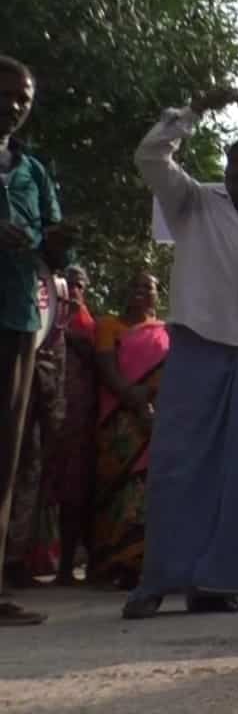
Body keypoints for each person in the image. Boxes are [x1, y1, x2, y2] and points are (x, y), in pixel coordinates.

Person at [122, 87, 238, 619]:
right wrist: (195, 109)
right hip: (199, 343)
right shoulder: (194, 201)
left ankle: (217, 584)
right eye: (235, 164)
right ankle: (157, 580)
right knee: (179, 464)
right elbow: (150, 156)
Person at [0, 55, 69, 625]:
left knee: (5, 455)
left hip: (19, 320)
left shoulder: (35, 171)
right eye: (5, 93)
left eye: (23, 97)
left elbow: (52, 247)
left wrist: (61, 243)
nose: (13, 104)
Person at [90, 272, 166, 591]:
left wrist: (150, 404)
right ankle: (117, 563)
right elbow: (106, 368)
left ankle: (146, 563)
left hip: (159, 418)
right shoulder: (108, 326)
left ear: (157, 295)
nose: (139, 291)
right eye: (133, 285)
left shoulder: (167, 332)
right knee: (120, 488)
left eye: (146, 287)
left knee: (151, 486)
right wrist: (134, 400)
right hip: (119, 418)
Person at [50, 264, 96, 584]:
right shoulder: (49, 314)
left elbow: (100, 359)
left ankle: (67, 565)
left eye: (79, 284)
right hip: (48, 413)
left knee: (75, 490)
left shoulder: (88, 322)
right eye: (69, 282)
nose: (74, 288)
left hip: (81, 419)